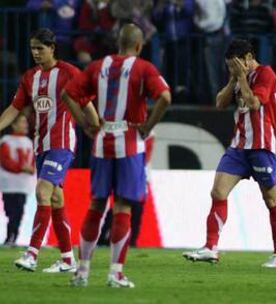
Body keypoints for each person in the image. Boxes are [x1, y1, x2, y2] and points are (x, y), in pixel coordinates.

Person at [62, 23, 171, 288]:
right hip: (130, 141)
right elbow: (165, 97)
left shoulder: (98, 66)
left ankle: (82, 272)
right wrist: (147, 127)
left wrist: (85, 124)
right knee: (122, 206)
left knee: (96, 205)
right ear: (139, 46)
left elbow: (67, 94)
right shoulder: (144, 68)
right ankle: (115, 273)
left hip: (102, 140)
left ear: (117, 43)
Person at [0, 28, 92, 273]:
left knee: (42, 192)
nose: (35, 53)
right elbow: (14, 107)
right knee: (55, 199)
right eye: (33, 48)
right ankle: (67, 259)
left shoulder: (68, 73)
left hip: (62, 144)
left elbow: (85, 101)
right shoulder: (30, 77)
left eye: (40, 48)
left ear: (52, 48)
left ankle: (32, 254)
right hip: (41, 146)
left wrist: (94, 128)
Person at [182, 38, 276, 268]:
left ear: (249, 58)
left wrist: (241, 78)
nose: (232, 69)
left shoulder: (266, 74)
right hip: (239, 147)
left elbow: (255, 103)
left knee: (271, 199)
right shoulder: (238, 77)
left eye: (235, 65)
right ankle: (211, 248)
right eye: (229, 66)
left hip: (261, 147)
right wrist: (234, 79)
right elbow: (220, 102)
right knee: (218, 192)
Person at [0, 114, 36, 246]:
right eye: (22, 122)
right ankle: (10, 237)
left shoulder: (29, 142)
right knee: (11, 211)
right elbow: (5, 161)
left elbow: (33, 161)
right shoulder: (5, 141)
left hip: (22, 185)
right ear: (13, 125)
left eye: (25, 122)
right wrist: (22, 168)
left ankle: (12, 237)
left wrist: (32, 169)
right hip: (8, 184)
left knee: (19, 211)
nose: (25, 125)